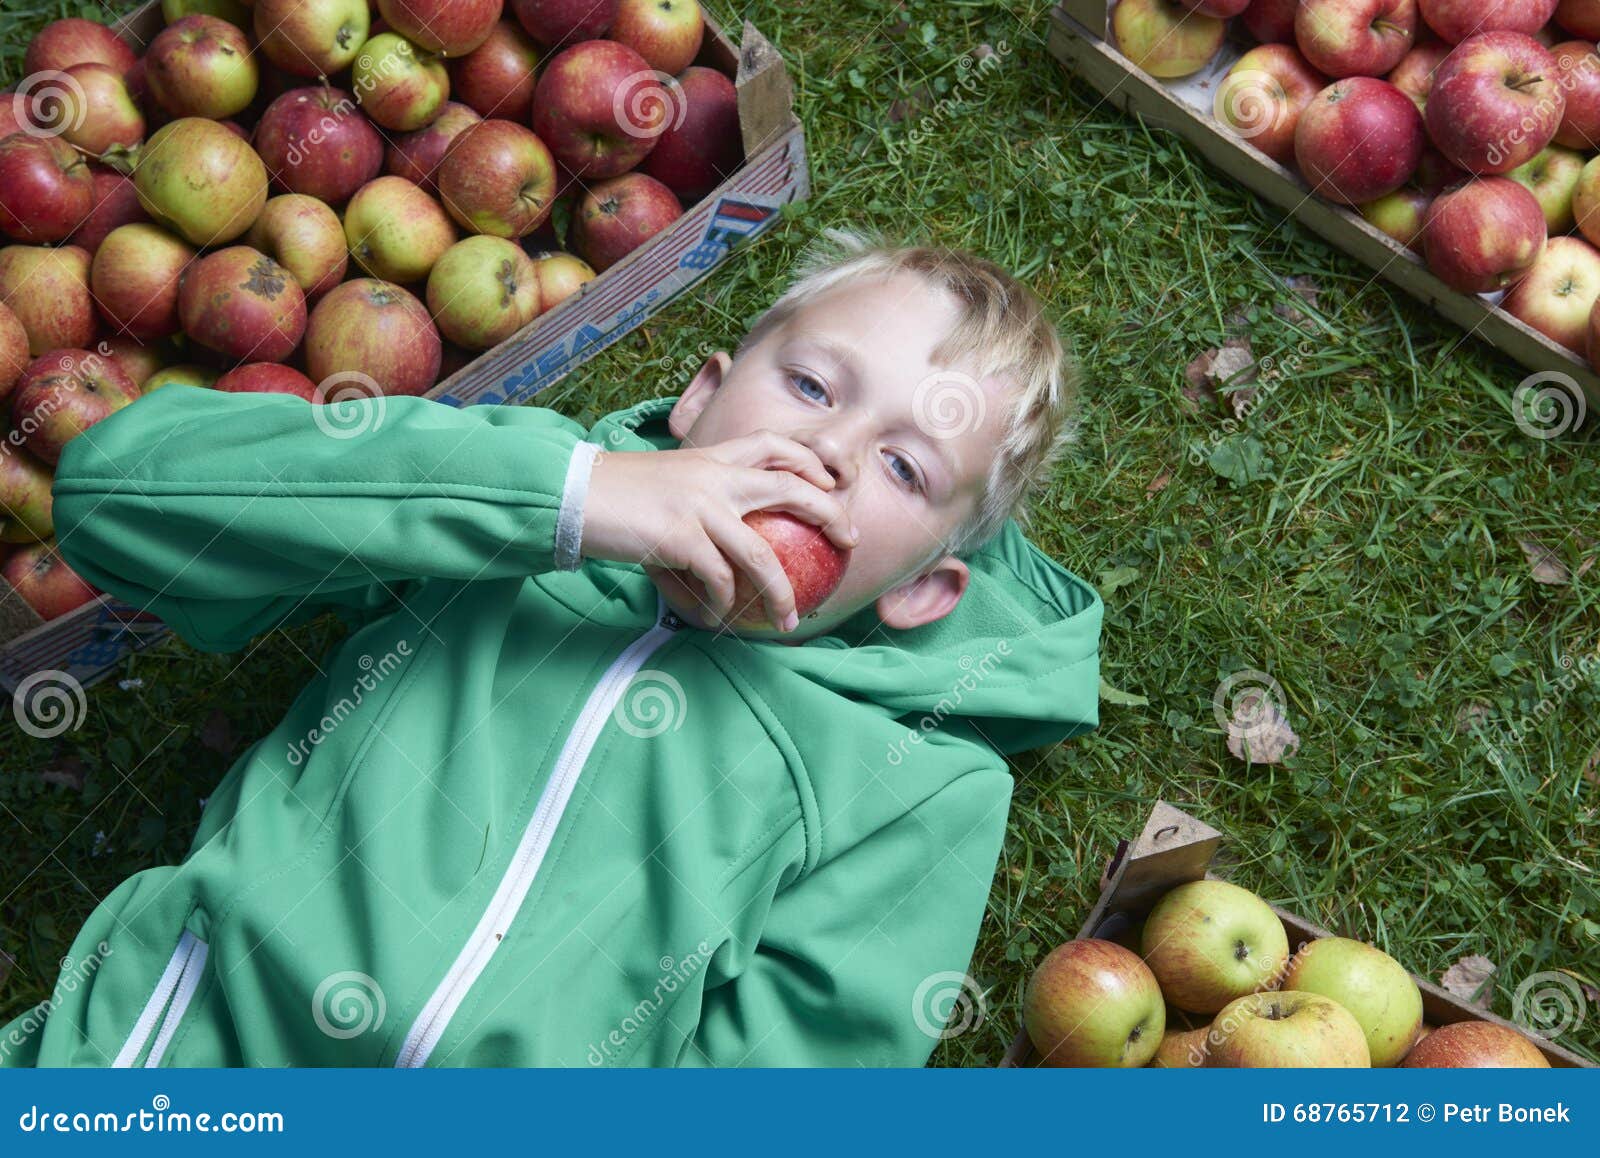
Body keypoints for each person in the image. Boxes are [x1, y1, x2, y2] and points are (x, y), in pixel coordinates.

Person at [1, 229, 1102, 1068]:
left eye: (905, 469)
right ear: (701, 398)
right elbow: (117, 497)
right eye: (812, 386)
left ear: (925, 592)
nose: (828, 453)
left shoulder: (921, 787)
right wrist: (571, 498)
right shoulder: (506, 509)